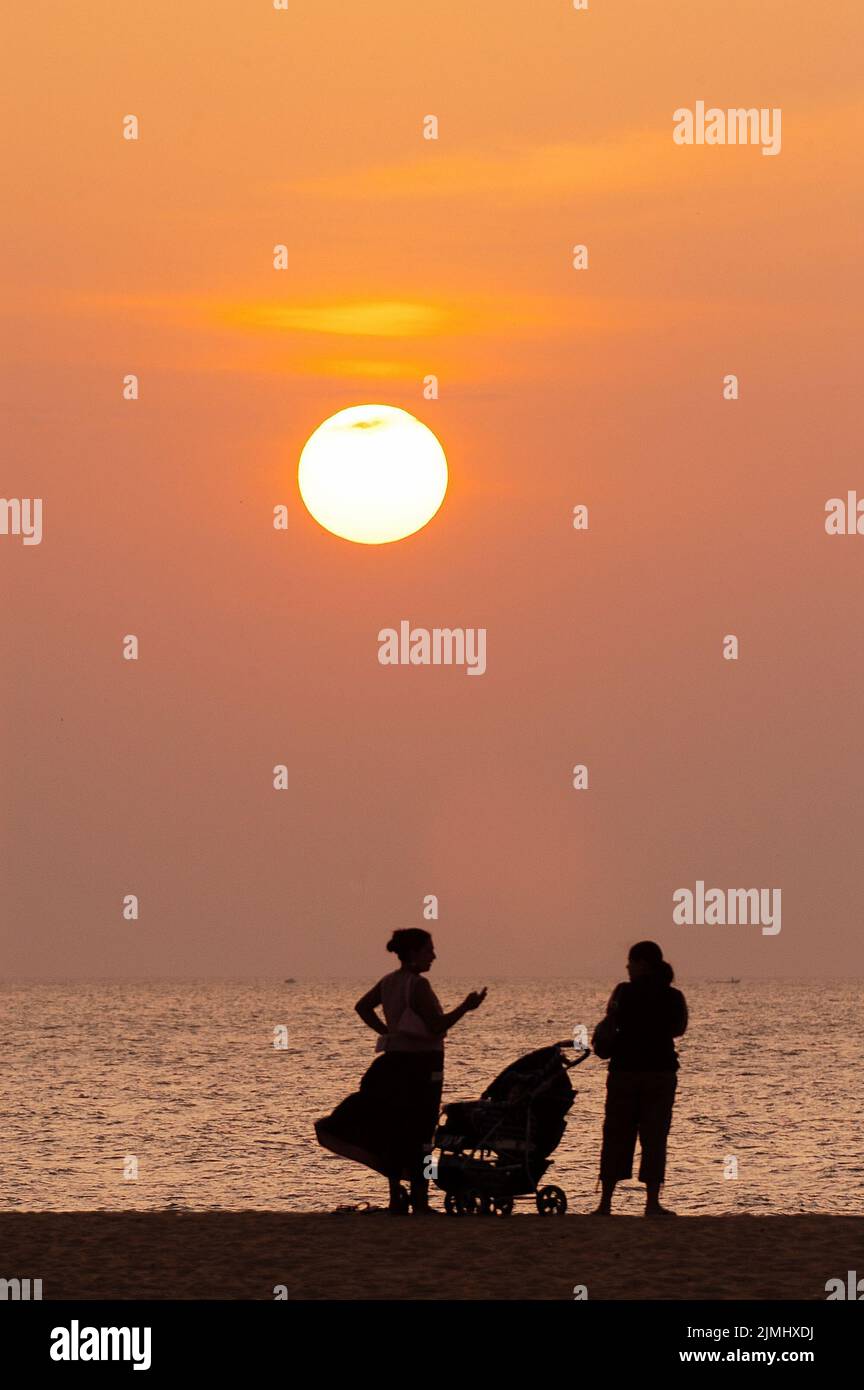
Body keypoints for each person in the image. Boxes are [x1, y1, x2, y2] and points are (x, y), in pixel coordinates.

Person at [314, 928, 487, 1213]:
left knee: (395, 1130)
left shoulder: (389, 982)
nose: (434, 955)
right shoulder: (417, 985)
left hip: (393, 1064)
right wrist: (466, 1008)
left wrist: (388, 1032)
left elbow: (362, 1007)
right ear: (414, 953)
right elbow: (436, 1026)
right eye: (429, 949)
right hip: (421, 1069)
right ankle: (419, 1202)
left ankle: (397, 1198)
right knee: (421, 1134)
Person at [591, 941, 688, 1216]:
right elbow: (679, 1028)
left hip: (625, 1072)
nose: (627, 967)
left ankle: (606, 1202)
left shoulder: (623, 992)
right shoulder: (673, 996)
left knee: (616, 1135)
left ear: (643, 963)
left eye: (631, 962)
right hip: (660, 1072)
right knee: (655, 1137)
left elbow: (609, 1022)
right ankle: (652, 1203)